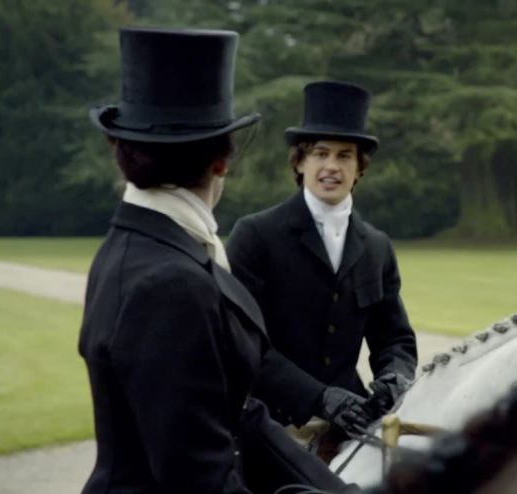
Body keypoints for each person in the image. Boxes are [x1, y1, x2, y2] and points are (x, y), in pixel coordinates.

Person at [80, 27, 352, 493]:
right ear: (222, 161)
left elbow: (240, 413)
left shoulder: (159, 246)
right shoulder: (168, 282)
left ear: (122, 152)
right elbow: (198, 478)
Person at [225, 81, 418, 455]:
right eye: (321, 154)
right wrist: (319, 397)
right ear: (300, 162)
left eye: (345, 156)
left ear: (359, 168)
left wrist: (396, 375)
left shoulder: (376, 246)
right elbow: (240, 345)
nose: (332, 166)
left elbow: (394, 338)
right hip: (269, 424)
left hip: (351, 425)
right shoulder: (255, 235)